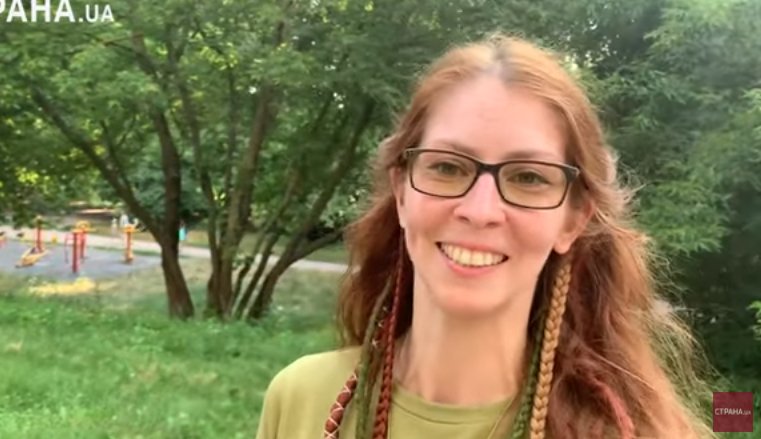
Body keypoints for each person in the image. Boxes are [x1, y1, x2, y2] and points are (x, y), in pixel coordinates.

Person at [254, 35, 717, 439]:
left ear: (573, 220)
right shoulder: (301, 400)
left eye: (529, 177)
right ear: (402, 192)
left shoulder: (628, 432)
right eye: (447, 167)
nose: (479, 211)